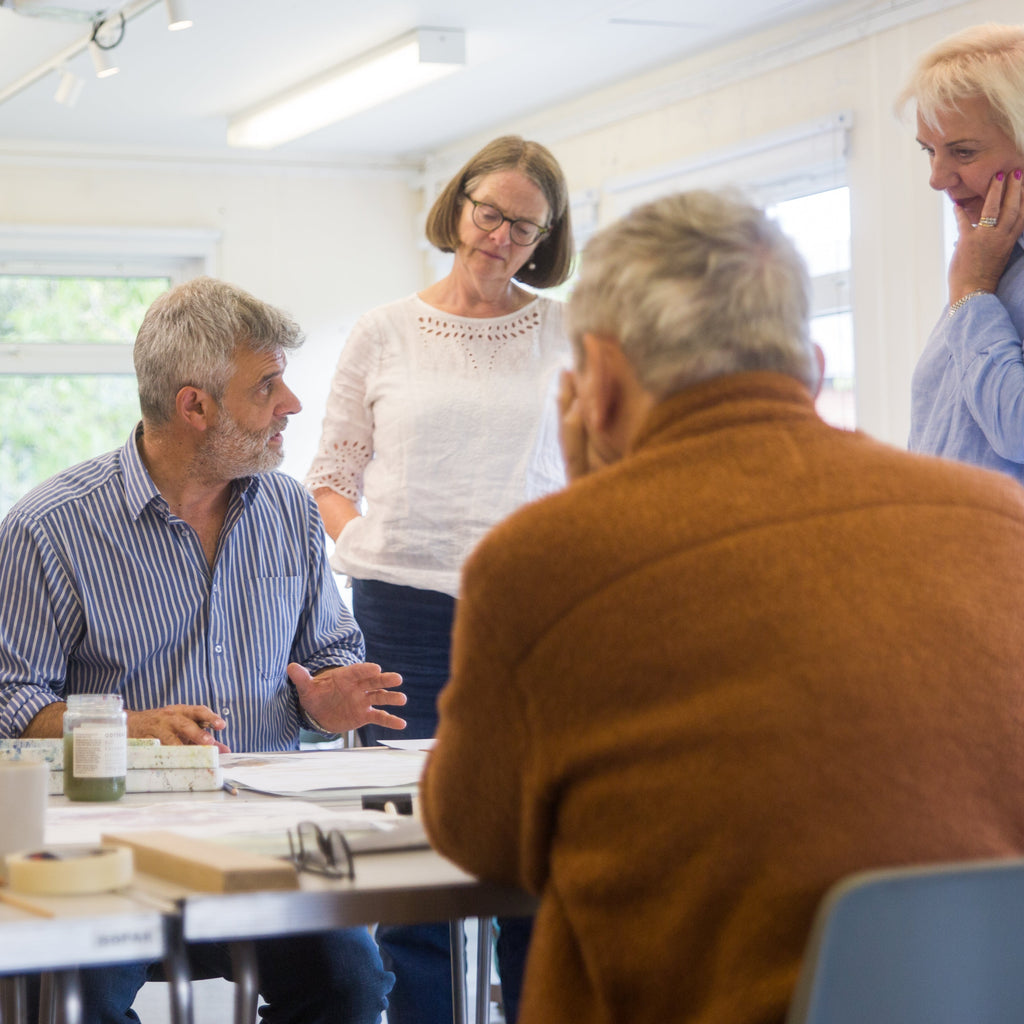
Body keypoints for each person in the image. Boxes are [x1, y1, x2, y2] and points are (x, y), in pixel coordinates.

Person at [419, 190, 1024, 1024]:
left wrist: (593, 508)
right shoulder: (1002, 524)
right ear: (811, 366)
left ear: (597, 381)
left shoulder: (542, 561)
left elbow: (479, 839)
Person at [0, 276, 406, 1024]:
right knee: (75, 1001)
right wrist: (123, 732)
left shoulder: (287, 506)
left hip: (268, 836)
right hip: (110, 846)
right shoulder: (47, 528)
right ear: (195, 406)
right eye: (267, 385)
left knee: (352, 990)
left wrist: (323, 698)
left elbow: (328, 649)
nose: (291, 404)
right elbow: (9, 705)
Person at [304, 135, 574, 1024]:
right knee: (411, 852)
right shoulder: (383, 330)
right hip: (399, 612)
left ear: (545, 239)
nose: (499, 236)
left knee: (528, 851)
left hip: (526, 615)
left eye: (523, 226)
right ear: (457, 207)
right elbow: (331, 478)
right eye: (488, 212)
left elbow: (592, 465)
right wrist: (368, 542)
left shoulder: (564, 332)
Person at [898, 24, 1024, 480]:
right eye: (928, 151)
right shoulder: (991, 259)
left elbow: (1018, 431)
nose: (937, 177)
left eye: (963, 152)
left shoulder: (975, 276)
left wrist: (971, 292)